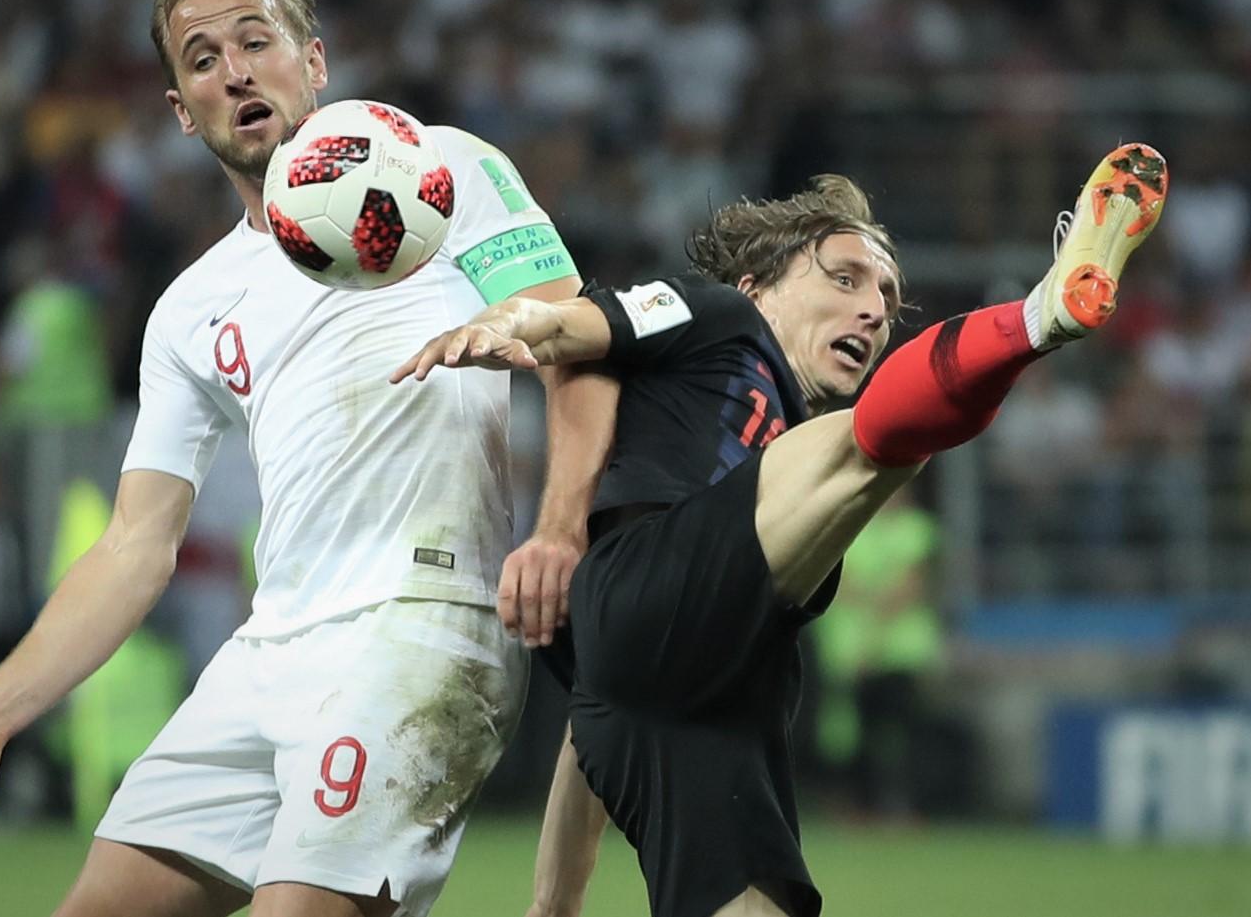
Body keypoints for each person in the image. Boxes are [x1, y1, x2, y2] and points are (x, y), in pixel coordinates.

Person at [0, 0, 600, 917]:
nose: (234, 69)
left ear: (312, 64)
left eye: (254, 40)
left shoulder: (440, 171)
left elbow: (584, 346)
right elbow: (137, 544)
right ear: (183, 116)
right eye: (201, 60)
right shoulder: (191, 307)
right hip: (270, 646)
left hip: (418, 633)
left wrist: (560, 528)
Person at [394, 144, 1169, 917]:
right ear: (757, 284)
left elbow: (599, 714)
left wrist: (551, 905)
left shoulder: (795, 445)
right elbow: (564, 324)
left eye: (887, 295)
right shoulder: (720, 316)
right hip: (646, 577)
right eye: (844, 277)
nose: (872, 308)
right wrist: (502, 321)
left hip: (710, 700)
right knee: (877, 448)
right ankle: (1041, 314)